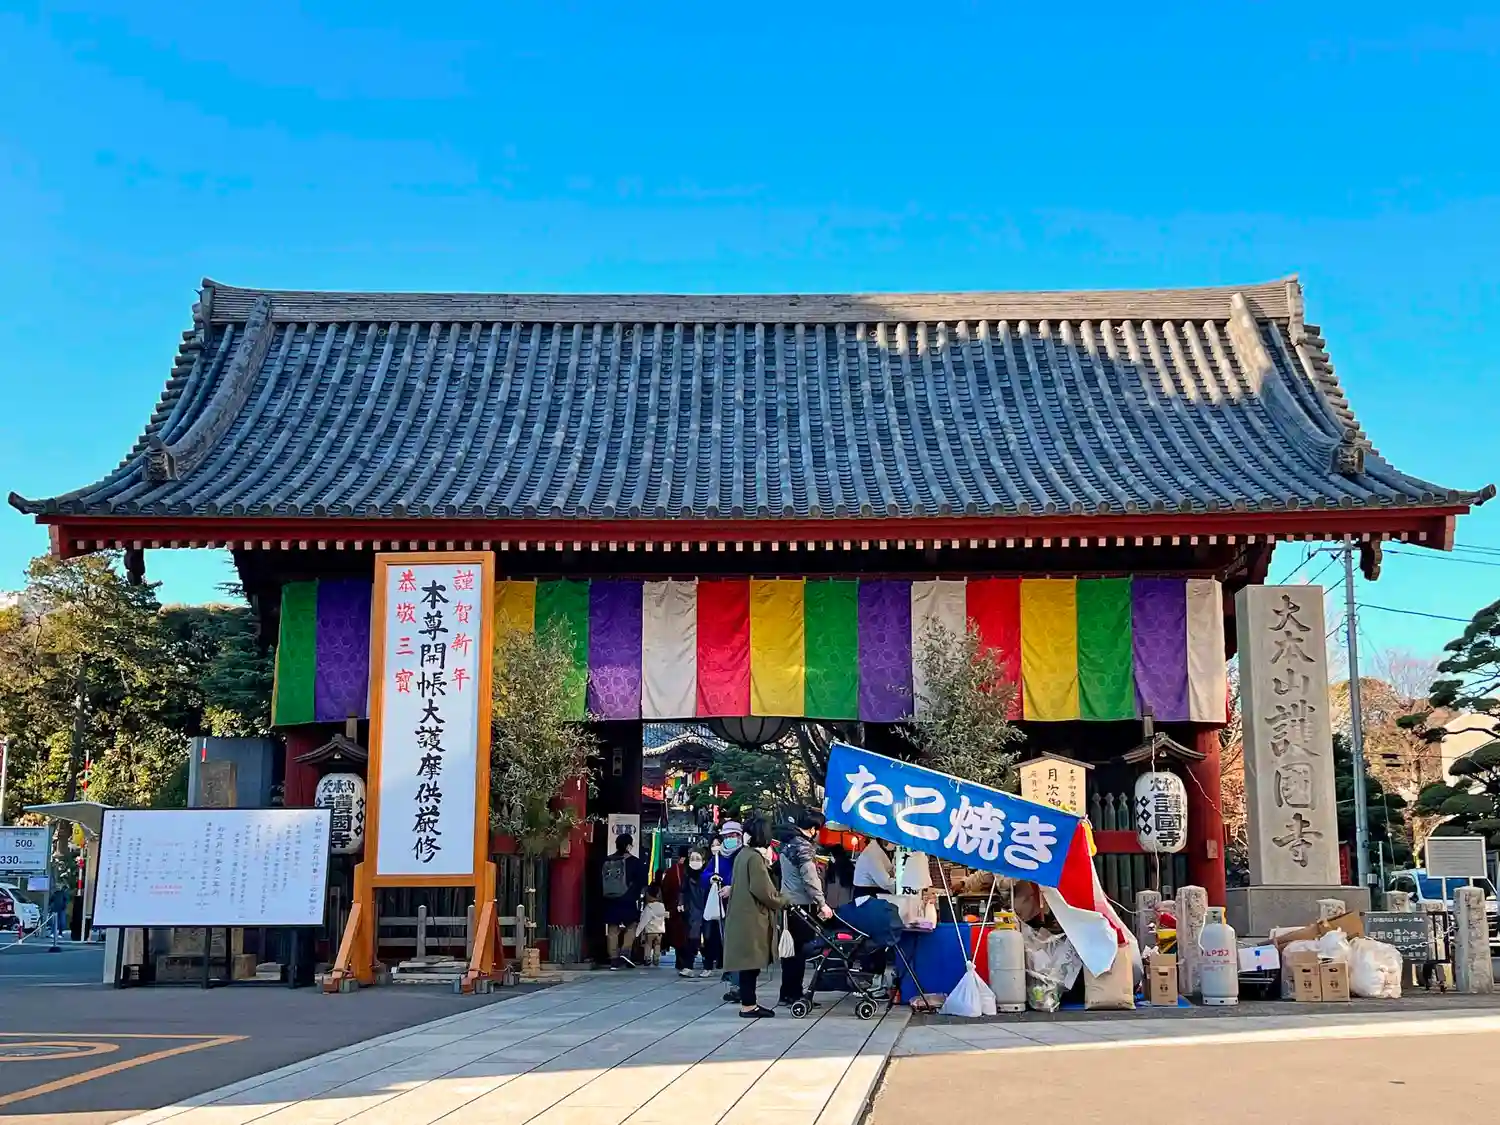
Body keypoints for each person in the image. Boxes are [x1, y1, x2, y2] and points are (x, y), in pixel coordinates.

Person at [722, 817, 788, 1018]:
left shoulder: (743, 854)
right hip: (753, 918)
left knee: (747, 964)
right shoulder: (754, 858)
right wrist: (783, 900)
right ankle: (749, 1005)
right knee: (751, 964)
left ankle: (749, 1003)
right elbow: (763, 891)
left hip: (742, 915)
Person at [776, 811, 834, 1007]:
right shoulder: (803, 847)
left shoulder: (787, 843)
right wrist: (822, 903)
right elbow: (810, 878)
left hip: (787, 902)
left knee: (790, 952)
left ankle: (788, 993)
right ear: (813, 829)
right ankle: (794, 994)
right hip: (800, 904)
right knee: (800, 951)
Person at [702, 822, 742, 982]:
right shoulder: (718, 857)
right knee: (724, 936)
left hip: (740, 903)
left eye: (733, 835)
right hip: (721, 904)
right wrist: (711, 878)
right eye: (727, 836)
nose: (730, 838)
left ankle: (736, 970)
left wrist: (733, 888)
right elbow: (705, 874)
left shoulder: (744, 854)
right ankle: (729, 968)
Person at [601, 833, 646, 969]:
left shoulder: (607, 860)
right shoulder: (635, 862)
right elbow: (642, 881)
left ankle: (613, 959)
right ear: (628, 846)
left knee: (613, 929)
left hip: (610, 899)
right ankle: (625, 952)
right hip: (628, 899)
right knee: (631, 926)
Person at [676, 845, 710, 977]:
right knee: (691, 939)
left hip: (707, 910)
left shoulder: (709, 876)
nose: (694, 862)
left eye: (698, 859)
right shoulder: (686, 875)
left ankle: (707, 966)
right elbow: (682, 891)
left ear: (704, 861)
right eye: (692, 859)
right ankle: (688, 966)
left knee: (707, 939)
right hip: (693, 911)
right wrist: (681, 903)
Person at [639, 885, 668, 966]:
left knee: (648, 944)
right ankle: (656, 958)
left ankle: (647, 958)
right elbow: (665, 915)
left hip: (650, 930)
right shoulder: (661, 906)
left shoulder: (648, 907)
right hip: (659, 931)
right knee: (657, 945)